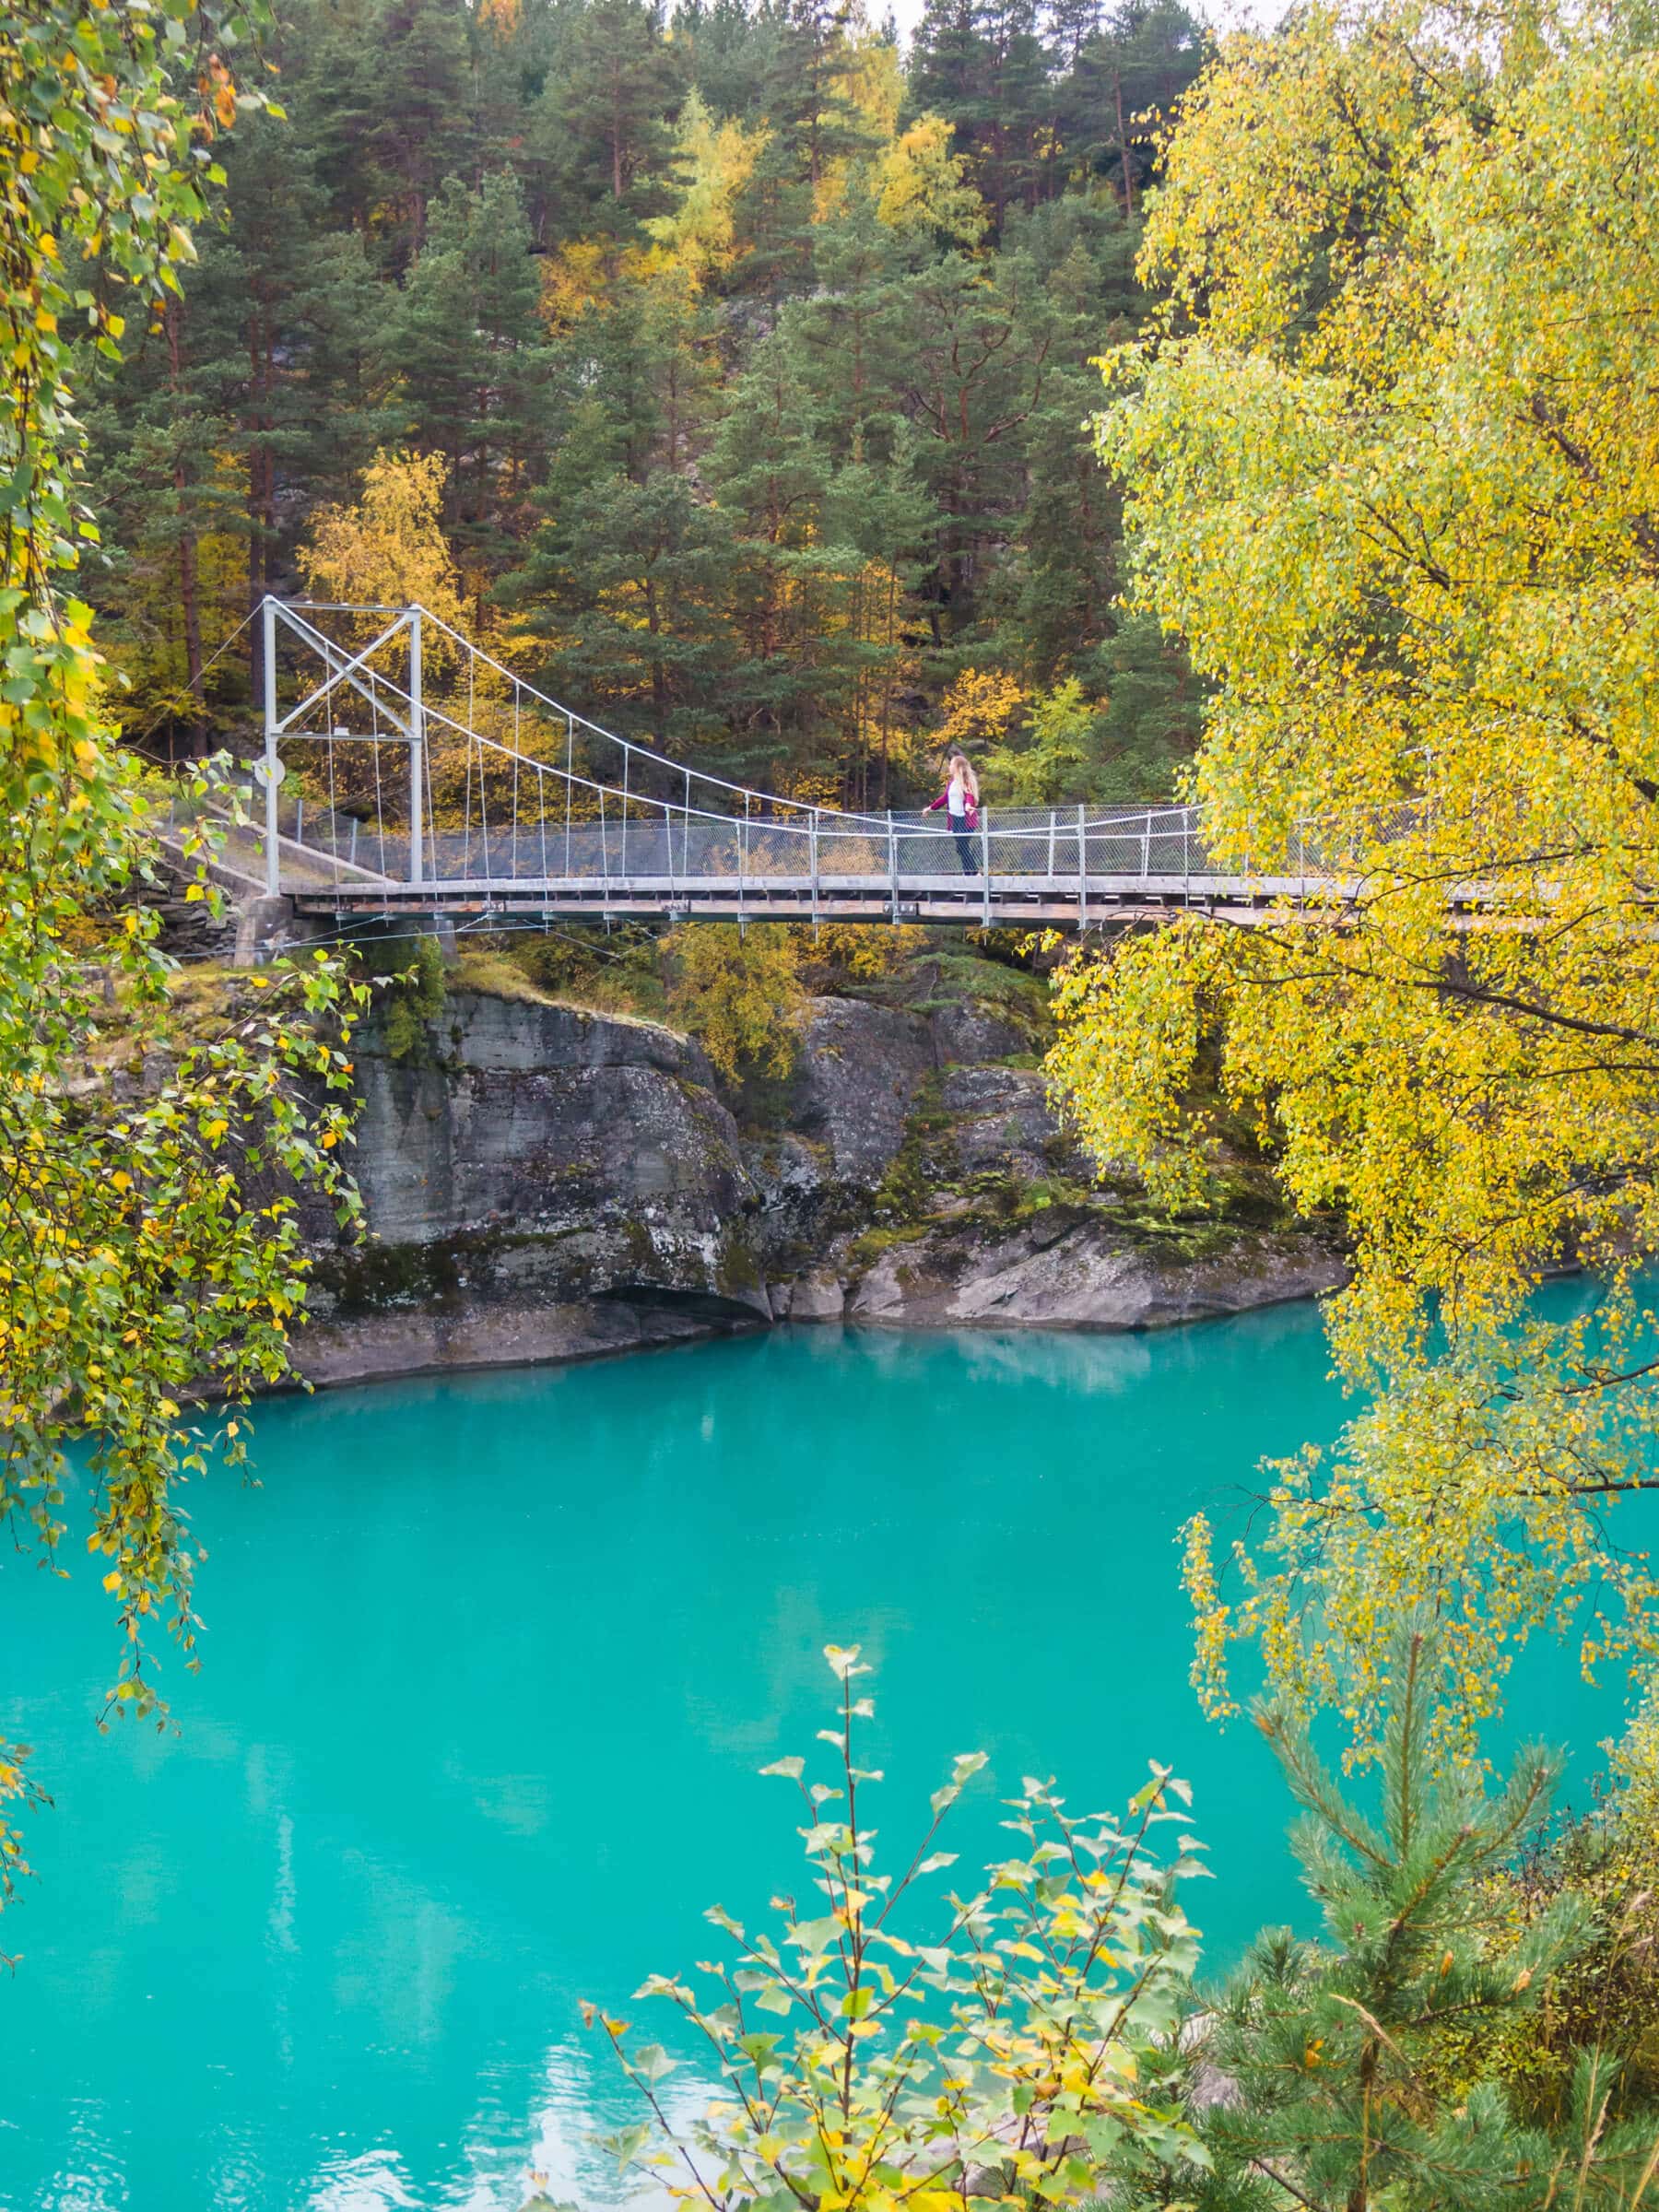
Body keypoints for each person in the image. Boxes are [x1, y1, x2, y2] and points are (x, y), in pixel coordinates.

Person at [925, 749, 981, 876]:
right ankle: (969, 873)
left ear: (957, 767)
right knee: (961, 848)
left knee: (962, 847)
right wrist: (931, 808)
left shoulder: (966, 782)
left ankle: (974, 873)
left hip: (966, 821)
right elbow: (944, 798)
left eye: (951, 764)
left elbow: (969, 796)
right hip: (955, 820)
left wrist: (968, 806)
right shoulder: (951, 783)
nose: (949, 766)